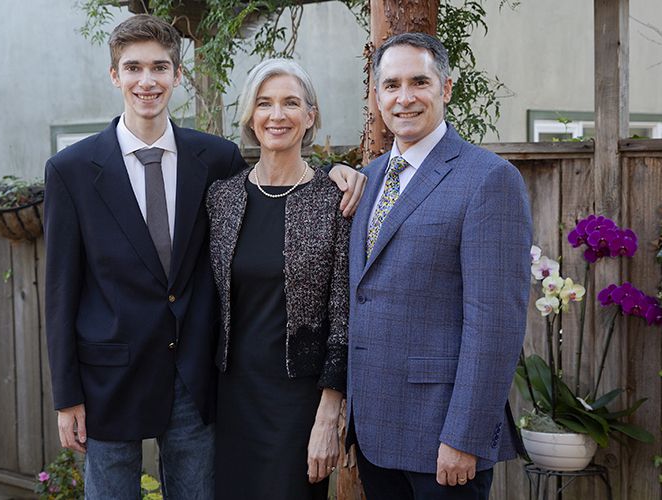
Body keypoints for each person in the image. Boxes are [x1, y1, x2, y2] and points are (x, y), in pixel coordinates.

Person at [43, 15, 364, 500]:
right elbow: (61, 289)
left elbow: (279, 188)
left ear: (176, 74)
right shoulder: (69, 170)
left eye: (159, 68)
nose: (146, 81)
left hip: (195, 379)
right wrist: (67, 396)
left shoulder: (214, 160)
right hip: (108, 379)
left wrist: (340, 172)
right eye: (133, 68)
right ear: (115, 75)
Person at [346, 32, 532, 500]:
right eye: (391, 85)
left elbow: (496, 322)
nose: (404, 98)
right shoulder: (365, 182)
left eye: (419, 82)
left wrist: (465, 436)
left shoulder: (489, 179)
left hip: (442, 436)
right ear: (377, 95)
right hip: (373, 434)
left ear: (445, 88)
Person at [206, 58, 350, 500]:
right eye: (264, 104)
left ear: (310, 116)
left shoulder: (335, 198)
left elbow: (343, 315)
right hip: (231, 397)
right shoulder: (222, 197)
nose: (277, 115)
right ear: (250, 116)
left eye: (291, 103)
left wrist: (330, 412)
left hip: (299, 402)